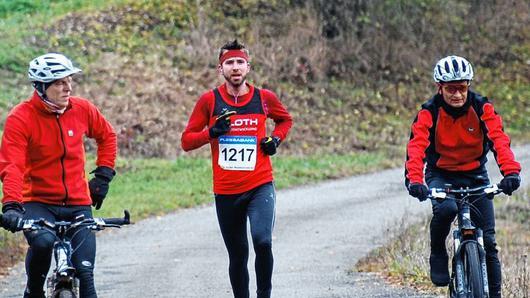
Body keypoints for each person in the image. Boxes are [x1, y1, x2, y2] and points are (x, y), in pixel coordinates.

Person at [181, 40, 292, 298]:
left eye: (240, 62)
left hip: (260, 185)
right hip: (226, 191)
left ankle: (264, 294)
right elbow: (186, 141)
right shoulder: (209, 101)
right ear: (221, 69)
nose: (235, 67)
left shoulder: (264, 98)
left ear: (248, 67)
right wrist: (211, 132)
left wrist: (275, 140)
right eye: (229, 63)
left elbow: (285, 120)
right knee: (238, 254)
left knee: (263, 241)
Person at [0, 53, 117, 298]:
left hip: (77, 202)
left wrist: (103, 175)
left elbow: (107, 136)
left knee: (86, 275)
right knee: (42, 244)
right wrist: (12, 204)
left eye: (69, 80)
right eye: (59, 83)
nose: (68, 88)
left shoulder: (82, 109)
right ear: (41, 87)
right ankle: (33, 291)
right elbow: (12, 164)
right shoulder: (21, 118)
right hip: (38, 202)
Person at [405, 55, 521, 297]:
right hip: (441, 175)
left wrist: (510, 172)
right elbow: (416, 148)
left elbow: (499, 139)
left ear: (468, 86)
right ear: (440, 88)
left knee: (488, 243)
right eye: (450, 89)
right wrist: (415, 180)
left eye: (462, 88)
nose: (457, 94)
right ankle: (437, 250)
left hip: (475, 176)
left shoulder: (481, 108)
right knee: (446, 210)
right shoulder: (429, 112)